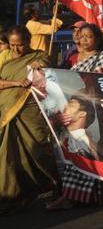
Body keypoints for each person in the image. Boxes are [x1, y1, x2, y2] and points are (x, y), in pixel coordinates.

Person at [45, 23, 103, 210]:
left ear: (98, 39)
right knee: (76, 154)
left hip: (95, 113)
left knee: (87, 152)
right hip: (75, 110)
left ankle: (73, 198)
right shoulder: (75, 59)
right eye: (81, 36)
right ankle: (88, 196)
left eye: (88, 36)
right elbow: (64, 80)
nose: (84, 40)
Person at [0, 26, 59, 213]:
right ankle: (12, 192)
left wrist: (39, 64)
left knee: (38, 147)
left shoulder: (38, 56)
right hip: (7, 111)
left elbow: (47, 63)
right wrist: (16, 83)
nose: (16, 49)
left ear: (28, 41)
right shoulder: (6, 63)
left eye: (20, 45)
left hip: (31, 112)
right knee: (8, 154)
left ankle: (51, 183)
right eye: (12, 45)